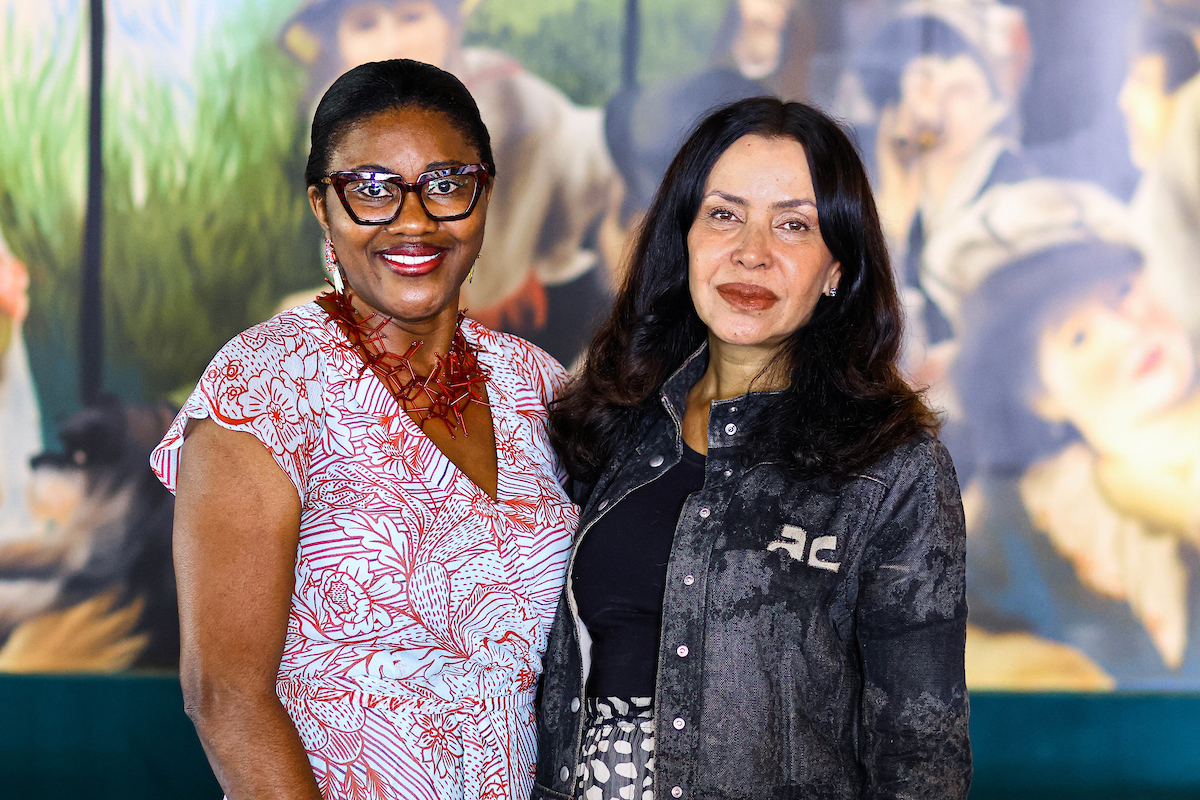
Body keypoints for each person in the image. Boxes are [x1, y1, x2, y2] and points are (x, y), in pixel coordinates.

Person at [151, 60, 578, 800]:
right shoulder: (266, 385)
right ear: (322, 205)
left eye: (446, 184)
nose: (414, 220)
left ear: (483, 195)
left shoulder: (537, 385)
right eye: (372, 190)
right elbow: (226, 698)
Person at [534, 97, 970, 800]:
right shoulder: (609, 422)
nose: (751, 252)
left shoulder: (894, 466)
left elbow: (922, 755)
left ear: (837, 267)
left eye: (794, 225)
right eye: (725, 214)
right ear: (687, 239)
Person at [278, 0, 618, 366]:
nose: (392, 43)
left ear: (450, 23)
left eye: (412, 17)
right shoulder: (335, 117)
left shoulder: (503, 93)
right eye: (365, 26)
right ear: (337, 42)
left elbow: (582, 153)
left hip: (509, 321)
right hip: (389, 328)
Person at [955, 240, 1200, 687]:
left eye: (1123, 292)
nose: (1125, 329)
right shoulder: (1024, 514)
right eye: (1079, 336)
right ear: (1041, 397)